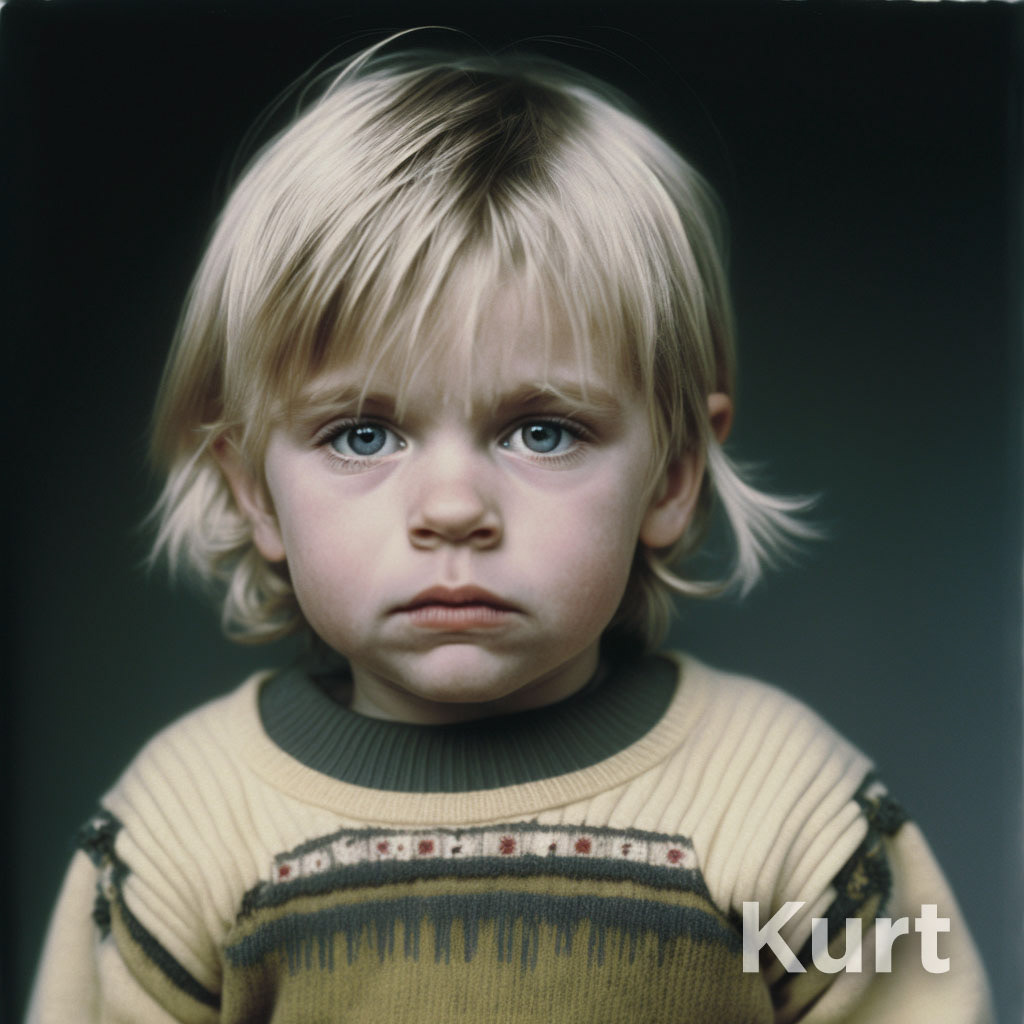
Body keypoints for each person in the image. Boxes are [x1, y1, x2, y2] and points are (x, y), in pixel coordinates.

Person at [26, 39, 993, 1023]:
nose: (453, 508)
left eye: (542, 431)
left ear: (672, 475)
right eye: (361, 433)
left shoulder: (785, 807)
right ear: (255, 495)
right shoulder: (183, 828)